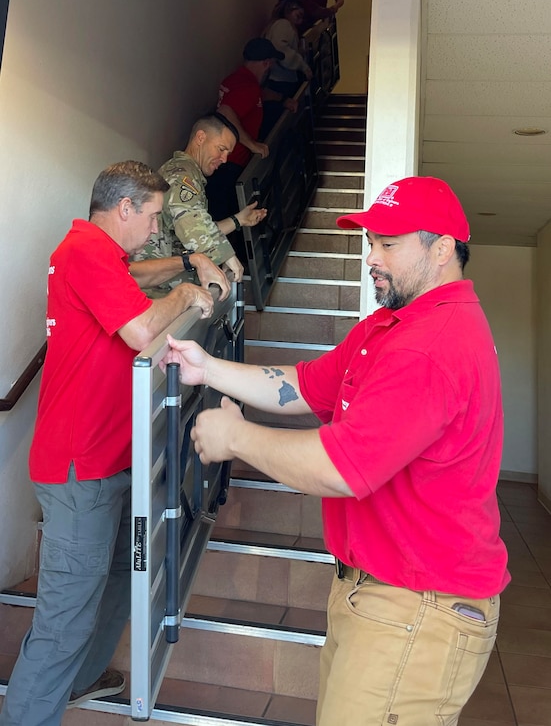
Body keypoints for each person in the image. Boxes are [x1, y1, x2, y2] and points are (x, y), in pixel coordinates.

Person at [163, 176, 510, 726]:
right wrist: (209, 369)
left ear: (442, 249)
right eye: (370, 241)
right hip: (376, 594)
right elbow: (304, 384)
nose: (371, 256)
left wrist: (236, 437)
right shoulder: (392, 325)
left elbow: (343, 467)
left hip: (419, 606)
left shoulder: (433, 341)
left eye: (388, 244)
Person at [0, 161, 220, 726]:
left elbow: (139, 276)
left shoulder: (100, 257)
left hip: (113, 460)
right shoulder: (85, 253)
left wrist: (188, 260)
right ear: (124, 208)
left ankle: (84, 677)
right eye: (150, 218)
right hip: (80, 470)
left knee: (124, 574)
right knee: (63, 622)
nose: (154, 229)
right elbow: (143, 327)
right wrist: (191, 290)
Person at [133, 113, 267, 284]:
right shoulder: (181, 174)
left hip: (165, 283)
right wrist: (227, 255)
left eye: (228, 153)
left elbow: (198, 227)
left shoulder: (188, 173)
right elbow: (191, 223)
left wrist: (239, 219)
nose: (225, 159)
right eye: (221, 149)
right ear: (201, 137)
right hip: (160, 288)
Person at [206, 38, 296, 223]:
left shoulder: (236, 79)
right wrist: (252, 144)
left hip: (221, 163)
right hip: (230, 164)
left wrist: (282, 99)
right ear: (266, 63)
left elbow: (259, 95)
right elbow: (225, 111)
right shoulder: (248, 86)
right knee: (229, 217)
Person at [264, 0, 313, 100]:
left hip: (278, 79)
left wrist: (298, 53)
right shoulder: (283, 24)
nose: (300, 20)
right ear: (288, 10)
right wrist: (303, 66)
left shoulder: (278, 25)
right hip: (281, 80)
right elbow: (280, 48)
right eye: (298, 14)